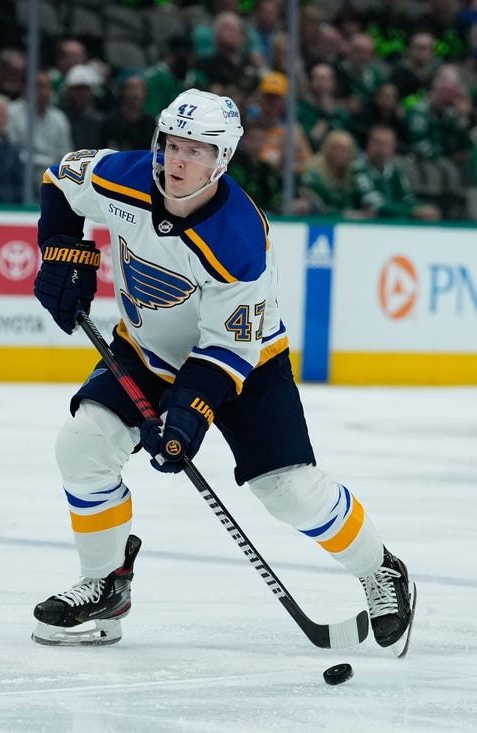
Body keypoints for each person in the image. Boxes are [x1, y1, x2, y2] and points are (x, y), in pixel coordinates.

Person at [28, 89, 416, 655]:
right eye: (170, 145)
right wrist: (65, 253)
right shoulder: (124, 177)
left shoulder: (238, 239)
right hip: (146, 350)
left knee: (288, 492)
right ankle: (106, 585)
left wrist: (186, 418)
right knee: (83, 445)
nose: (176, 162)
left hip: (245, 363)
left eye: (195, 151)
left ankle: (380, 570)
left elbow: (225, 352)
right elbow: (60, 180)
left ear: (223, 160)